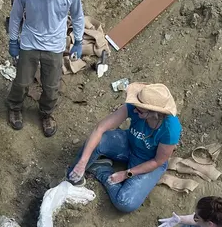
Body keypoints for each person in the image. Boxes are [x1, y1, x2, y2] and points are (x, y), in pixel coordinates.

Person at [67, 82, 181, 213]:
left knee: (125, 202)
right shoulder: (134, 107)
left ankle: (102, 170)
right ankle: (72, 176)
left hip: (147, 160)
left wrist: (127, 174)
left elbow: (158, 161)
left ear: (154, 113)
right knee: (98, 141)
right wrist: (82, 162)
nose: (134, 110)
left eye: (140, 110)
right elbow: (100, 128)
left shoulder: (170, 129)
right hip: (128, 142)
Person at [6, 0, 84, 137]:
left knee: (51, 86)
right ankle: (15, 107)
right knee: (22, 81)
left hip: (55, 45)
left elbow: (78, 15)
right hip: (30, 42)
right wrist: (13, 40)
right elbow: (16, 15)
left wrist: (78, 41)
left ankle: (46, 113)